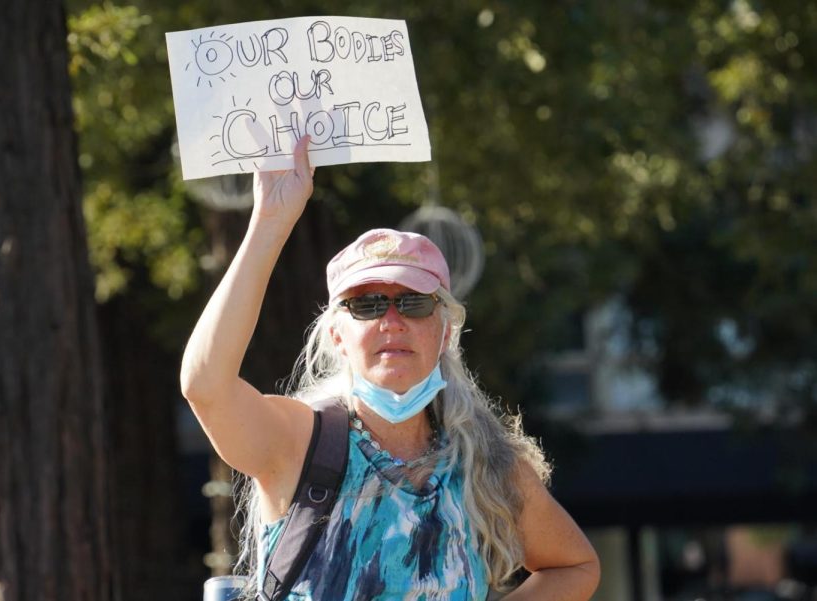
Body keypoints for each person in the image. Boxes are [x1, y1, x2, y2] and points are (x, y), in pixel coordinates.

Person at [180, 136, 600, 600]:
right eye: (367, 304)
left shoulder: (487, 465)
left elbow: (576, 566)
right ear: (338, 334)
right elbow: (205, 384)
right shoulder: (300, 443)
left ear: (444, 333)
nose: (392, 321)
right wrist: (269, 222)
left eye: (414, 302)